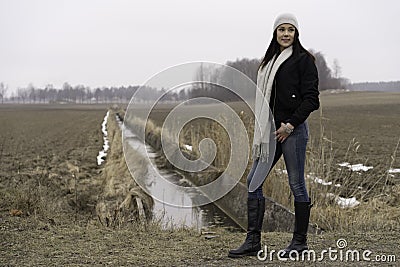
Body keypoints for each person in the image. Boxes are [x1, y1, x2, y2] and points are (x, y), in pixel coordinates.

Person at [228, 13, 320, 258]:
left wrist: (290, 125)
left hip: (293, 132)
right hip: (269, 133)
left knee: (296, 184)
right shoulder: (269, 62)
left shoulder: (304, 60)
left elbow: (312, 99)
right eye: (282, 29)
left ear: (296, 33)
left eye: (290, 29)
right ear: (275, 33)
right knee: (253, 182)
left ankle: (299, 243)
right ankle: (253, 242)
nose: (286, 34)